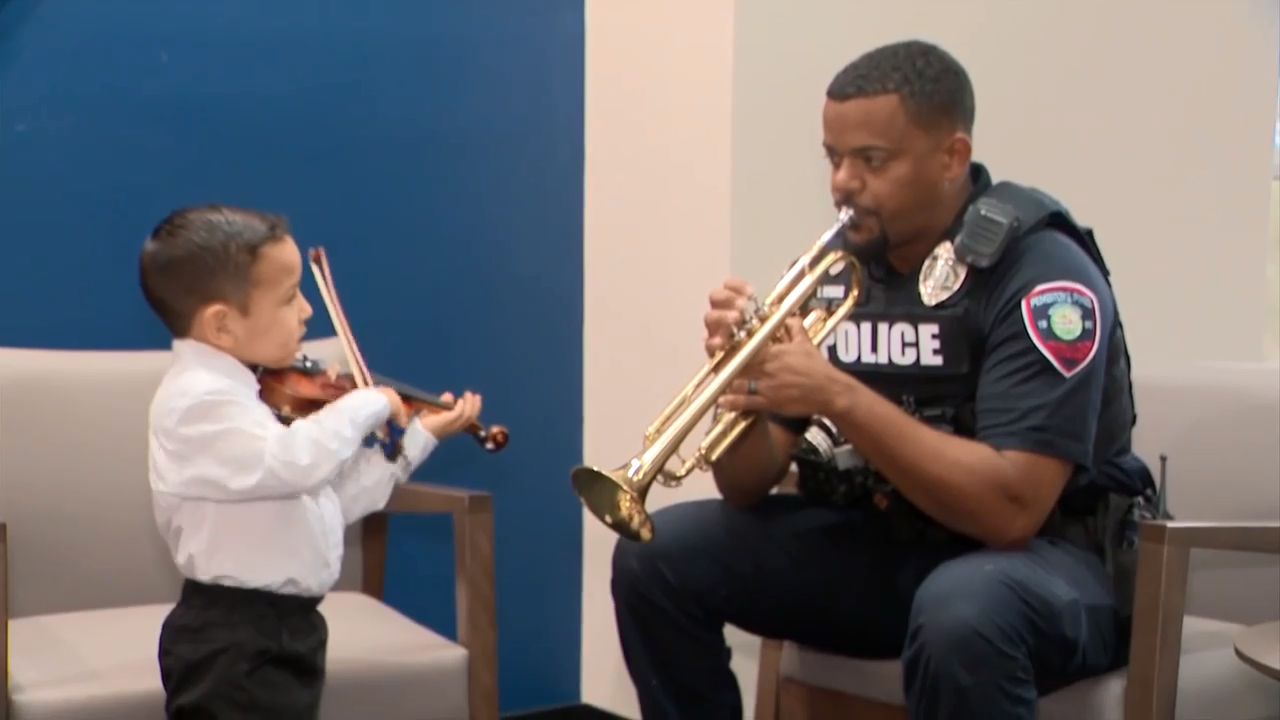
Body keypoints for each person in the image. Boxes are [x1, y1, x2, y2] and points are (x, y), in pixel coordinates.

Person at [610, 40, 1153, 720]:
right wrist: (747, 386)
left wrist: (836, 395)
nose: (843, 183)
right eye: (834, 159)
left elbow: (1010, 511)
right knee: (657, 559)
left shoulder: (1041, 275)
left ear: (952, 157)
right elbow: (745, 482)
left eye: (872, 161)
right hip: (899, 547)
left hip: (1056, 564)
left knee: (962, 613)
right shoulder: (843, 268)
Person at [139, 204, 483, 719]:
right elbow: (296, 463)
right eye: (288, 297)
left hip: (287, 628)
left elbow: (326, 500)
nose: (306, 310)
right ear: (222, 325)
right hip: (231, 641)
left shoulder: (249, 395)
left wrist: (416, 439)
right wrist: (367, 402)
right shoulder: (199, 404)